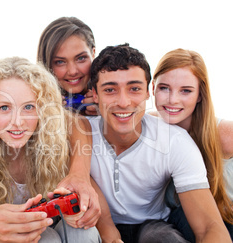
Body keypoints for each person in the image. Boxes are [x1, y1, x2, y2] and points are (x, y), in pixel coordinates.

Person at [88, 43, 231, 243]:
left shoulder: (176, 141)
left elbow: (210, 227)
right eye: (110, 89)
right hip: (95, 225)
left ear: (148, 91)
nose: (123, 101)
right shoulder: (81, 134)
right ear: (95, 94)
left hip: (152, 225)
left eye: (134, 88)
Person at [0, 56, 100, 242]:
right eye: (4, 108)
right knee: (46, 239)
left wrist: (76, 210)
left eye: (29, 107)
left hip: (53, 224)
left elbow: (78, 124)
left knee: (82, 231)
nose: (17, 122)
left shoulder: (52, 136)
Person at [151, 48, 233, 241]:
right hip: (185, 223)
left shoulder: (224, 134)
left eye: (186, 91)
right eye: (164, 88)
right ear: (152, 87)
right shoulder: (150, 126)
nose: (173, 99)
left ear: (200, 95)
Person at [37, 16, 98, 115]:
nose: (73, 71)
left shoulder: (111, 96)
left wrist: (108, 117)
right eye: (60, 62)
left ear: (93, 53)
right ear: (46, 64)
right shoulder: (33, 104)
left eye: (81, 58)